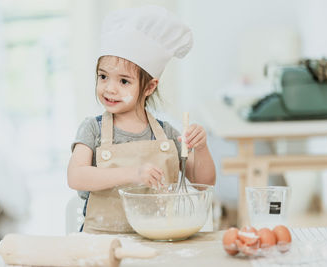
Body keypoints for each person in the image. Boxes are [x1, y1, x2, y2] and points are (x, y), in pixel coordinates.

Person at [67, 5, 216, 234]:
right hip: (101, 242)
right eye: (103, 76)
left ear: (149, 87)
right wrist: (133, 174)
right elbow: (76, 176)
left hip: (158, 239)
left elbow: (203, 181)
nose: (110, 88)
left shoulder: (166, 134)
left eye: (123, 81)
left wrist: (202, 148)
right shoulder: (92, 129)